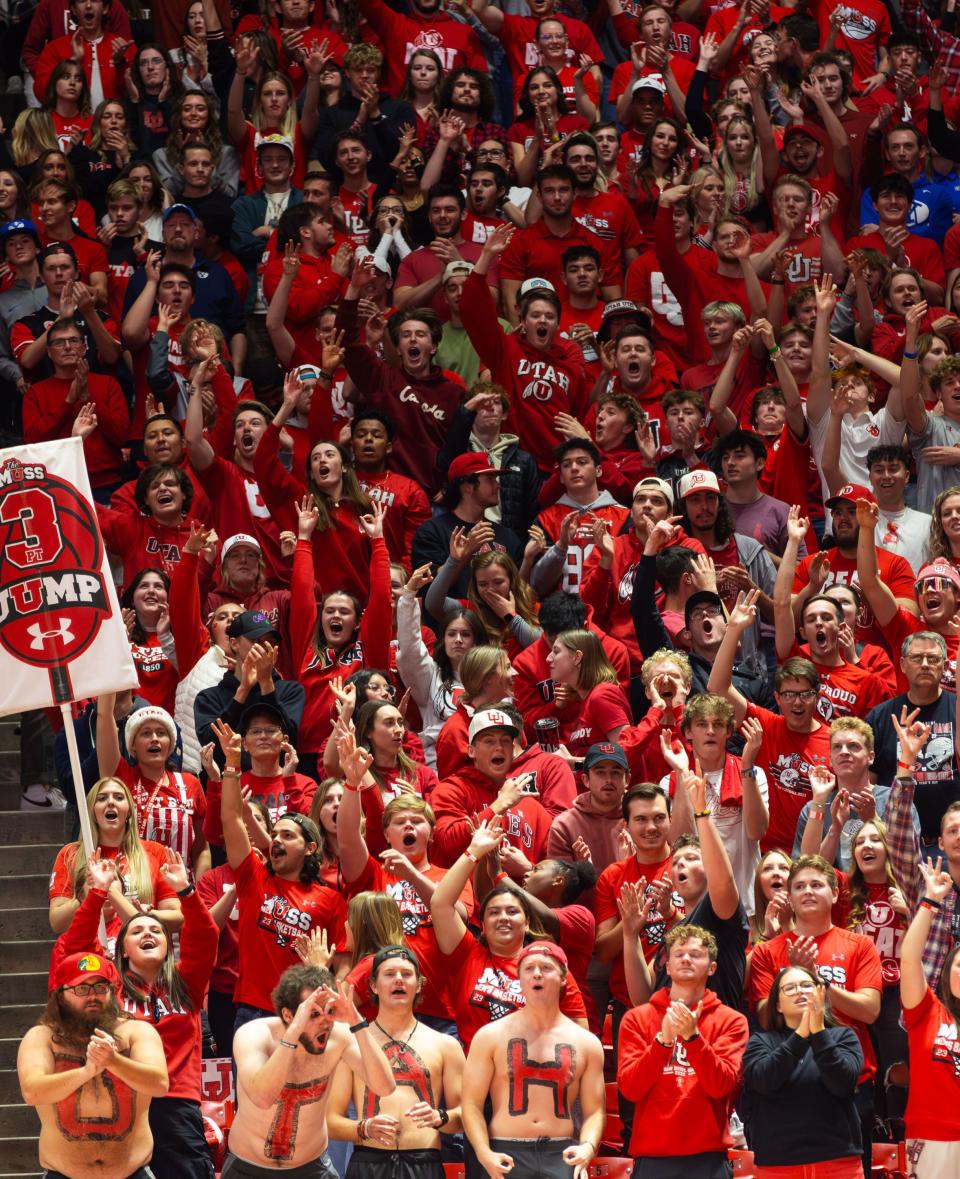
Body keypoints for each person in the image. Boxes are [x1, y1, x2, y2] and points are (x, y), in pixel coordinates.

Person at [748, 854, 884, 1171]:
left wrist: (816, 980)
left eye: (817, 884)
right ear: (789, 898)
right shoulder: (768, 950)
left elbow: (870, 1010)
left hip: (849, 1080)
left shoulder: (859, 945)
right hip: (787, 1081)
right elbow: (766, 1018)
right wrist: (798, 976)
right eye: (799, 886)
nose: (808, 891)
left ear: (835, 893)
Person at [214, 718, 348, 1029]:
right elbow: (232, 819)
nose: (276, 840)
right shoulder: (253, 876)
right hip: (252, 1012)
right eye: (274, 834)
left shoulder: (330, 900)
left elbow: (343, 963)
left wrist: (327, 984)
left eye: (288, 836)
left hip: (308, 1013)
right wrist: (232, 764)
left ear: (310, 848)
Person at [430, 818, 589, 1052]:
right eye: (494, 912)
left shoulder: (547, 965)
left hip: (532, 1075)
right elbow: (440, 904)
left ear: (526, 923)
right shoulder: (466, 955)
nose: (503, 917)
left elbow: (580, 1032)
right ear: (482, 925)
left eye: (512, 911)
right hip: (477, 1075)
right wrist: (474, 852)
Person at [228, 963, 396, 1175]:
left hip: (311, 1168)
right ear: (289, 1016)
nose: (325, 1022)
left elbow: (385, 1086)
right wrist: (293, 1033)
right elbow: (262, 1097)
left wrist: (356, 1020)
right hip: (248, 1168)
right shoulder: (254, 1034)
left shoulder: (340, 1037)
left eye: (329, 1011)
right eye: (313, 1014)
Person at [17, 951, 168, 1179]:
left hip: (132, 1171)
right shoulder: (42, 1036)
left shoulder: (137, 1031)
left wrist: (114, 1061)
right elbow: (32, 1091)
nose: (92, 996)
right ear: (60, 995)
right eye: (81, 988)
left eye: (100, 987)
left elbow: (159, 1084)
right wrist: (86, 1072)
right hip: (63, 1173)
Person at [461, 941, 605, 1179]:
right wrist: (484, 1152)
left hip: (562, 1153)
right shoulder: (489, 1036)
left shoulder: (587, 1043)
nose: (537, 974)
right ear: (520, 979)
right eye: (529, 968)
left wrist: (588, 1147)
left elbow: (595, 1112)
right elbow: (471, 1104)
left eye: (546, 968)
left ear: (563, 979)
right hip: (505, 1153)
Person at [618, 925, 749, 1179]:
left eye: (696, 954)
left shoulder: (731, 1021)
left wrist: (693, 1038)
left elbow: (721, 1086)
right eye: (678, 954)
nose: (686, 958)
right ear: (667, 967)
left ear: (712, 968)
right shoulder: (636, 1019)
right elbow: (630, 1089)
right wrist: (662, 1043)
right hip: (652, 1159)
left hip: (708, 1160)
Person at [327, 945, 466, 1179]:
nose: (399, 980)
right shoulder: (350, 1043)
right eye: (390, 974)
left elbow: (465, 1116)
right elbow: (330, 1121)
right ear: (373, 985)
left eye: (407, 974)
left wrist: (440, 1117)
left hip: (425, 1163)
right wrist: (363, 1128)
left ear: (419, 984)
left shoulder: (446, 1045)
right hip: (367, 1161)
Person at [741, 967, 864, 1177]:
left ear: (821, 995)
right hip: (778, 1166)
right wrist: (801, 1035)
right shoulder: (760, 1042)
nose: (800, 991)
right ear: (777, 1005)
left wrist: (818, 1032)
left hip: (838, 1163)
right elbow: (763, 1081)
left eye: (807, 986)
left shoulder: (844, 1036)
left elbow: (842, 1083)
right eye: (789, 988)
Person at [898, 856, 960, 1178]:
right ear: (947, 972)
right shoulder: (927, 1011)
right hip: (933, 1140)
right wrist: (930, 901)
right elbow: (909, 959)